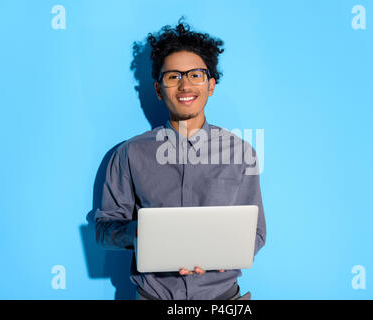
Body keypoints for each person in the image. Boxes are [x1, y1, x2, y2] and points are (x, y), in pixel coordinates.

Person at [94, 19, 266, 300]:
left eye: (195, 75)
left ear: (210, 85)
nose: (185, 85)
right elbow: (103, 229)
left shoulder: (242, 153)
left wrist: (226, 254)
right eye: (173, 76)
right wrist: (144, 234)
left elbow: (257, 233)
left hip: (224, 299)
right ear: (160, 89)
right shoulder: (129, 153)